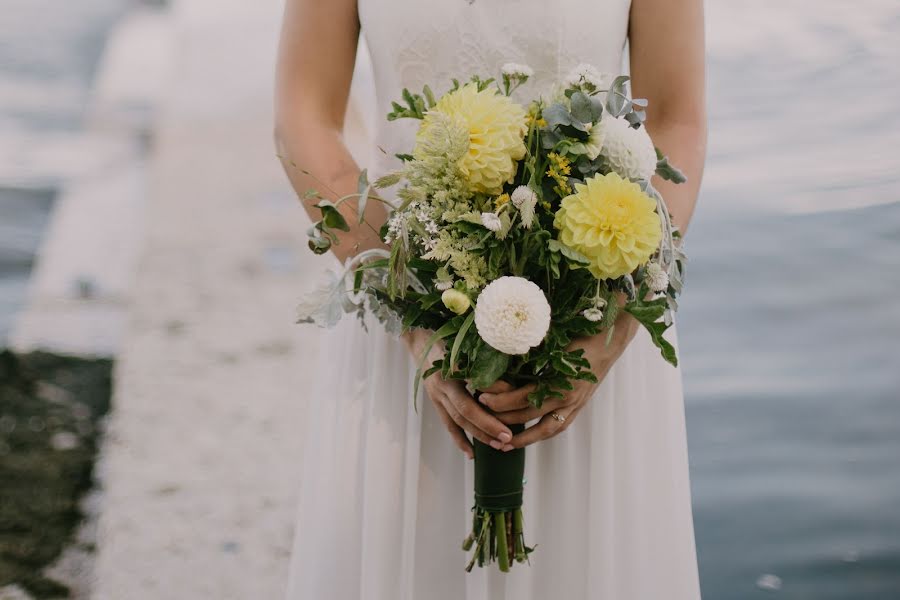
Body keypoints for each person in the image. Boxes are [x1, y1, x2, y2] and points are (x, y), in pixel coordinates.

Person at [275, 1, 707, 598]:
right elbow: (304, 115)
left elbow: (677, 117)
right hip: (408, 314)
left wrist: (616, 323)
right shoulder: (408, 309)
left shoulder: (606, 327)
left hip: (593, 322)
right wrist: (411, 311)